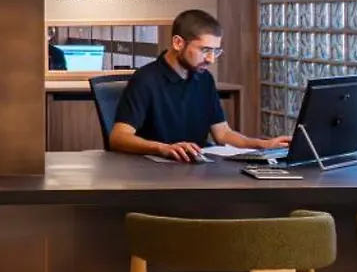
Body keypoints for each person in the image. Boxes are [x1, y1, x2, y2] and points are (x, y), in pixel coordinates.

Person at [108, 9, 291, 162]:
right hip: (153, 172)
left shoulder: (204, 79)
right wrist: (163, 148)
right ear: (178, 43)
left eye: (215, 51)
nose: (211, 59)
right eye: (205, 50)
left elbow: (223, 134)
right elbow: (118, 137)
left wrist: (263, 145)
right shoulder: (146, 79)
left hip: (197, 170)